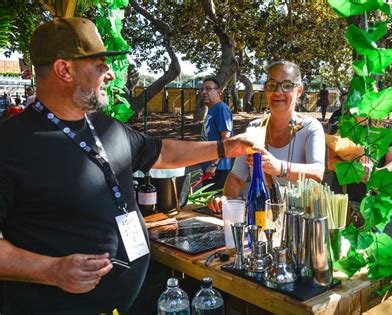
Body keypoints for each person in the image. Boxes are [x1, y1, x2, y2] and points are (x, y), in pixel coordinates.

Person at [0, 17, 254, 314]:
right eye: (99, 64)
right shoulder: (10, 144)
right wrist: (52, 270)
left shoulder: (107, 128)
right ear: (64, 69)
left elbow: (164, 152)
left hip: (129, 302)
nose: (109, 74)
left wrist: (228, 146)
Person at [208, 60, 325, 212]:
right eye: (272, 85)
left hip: (298, 222)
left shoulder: (310, 127)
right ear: (265, 89)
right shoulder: (255, 128)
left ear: (299, 90)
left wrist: (279, 167)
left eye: (287, 85)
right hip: (260, 218)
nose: (278, 92)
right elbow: (237, 178)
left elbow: (317, 173)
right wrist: (227, 201)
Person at [200, 77, 234, 190]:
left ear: (218, 92)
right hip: (209, 165)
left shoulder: (221, 109)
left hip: (219, 168)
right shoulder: (212, 109)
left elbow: (226, 139)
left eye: (208, 89)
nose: (204, 92)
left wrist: (213, 165)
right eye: (202, 89)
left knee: (214, 205)